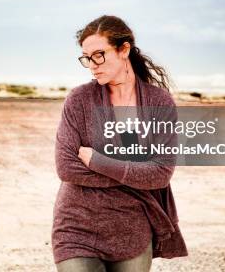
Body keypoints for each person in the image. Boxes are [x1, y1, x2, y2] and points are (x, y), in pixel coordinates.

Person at [51, 15, 188, 272]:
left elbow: (160, 174)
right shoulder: (79, 100)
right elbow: (66, 167)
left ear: (124, 49)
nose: (92, 65)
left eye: (99, 55)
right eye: (87, 58)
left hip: (132, 230)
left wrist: (97, 160)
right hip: (76, 226)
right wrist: (135, 174)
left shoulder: (159, 104)